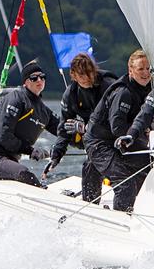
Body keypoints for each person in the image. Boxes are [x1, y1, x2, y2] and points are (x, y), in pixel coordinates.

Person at [83, 50, 153, 211]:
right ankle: (122, 219)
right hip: (99, 143)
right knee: (125, 183)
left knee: (148, 171)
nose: (145, 73)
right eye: (140, 69)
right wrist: (144, 139)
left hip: (119, 141)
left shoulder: (150, 89)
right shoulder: (124, 92)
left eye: (148, 69)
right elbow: (117, 127)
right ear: (130, 70)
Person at [44, 53, 117, 203]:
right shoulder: (71, 94)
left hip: (116, 136)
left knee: (96, 162)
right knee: (89, 165)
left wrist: (86, 128)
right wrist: (56, 155)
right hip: (95, 140)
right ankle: (90, 203)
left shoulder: (108, 85)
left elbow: (117, 121)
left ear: (94, 70)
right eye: (81, 74)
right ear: (73, 75)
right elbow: (63, 128)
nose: (86, 77)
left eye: (89, 72)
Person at [0, 62, 60, 187]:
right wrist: (31, 151)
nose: (39, 80)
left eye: (42, 77)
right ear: (26, 82)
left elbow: (62, 130)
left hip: (10, 161)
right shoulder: (16, 98)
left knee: (24, 173)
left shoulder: (44, 111)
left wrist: (85, 137)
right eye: (34, 77)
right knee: (25, 174)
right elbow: (4, 136)